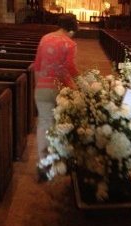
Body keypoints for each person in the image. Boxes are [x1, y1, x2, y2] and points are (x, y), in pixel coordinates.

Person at [32, 14, 79, 162]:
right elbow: (69, 68)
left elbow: (37, 65)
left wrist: (38, 85)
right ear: (72, 28)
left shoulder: (45, 38)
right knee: (62, 124)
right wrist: (80, 83)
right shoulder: (70, 43)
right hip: (60, 89)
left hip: (42, 87)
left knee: (44, 124)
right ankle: (59, 159)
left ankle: (43, 161)